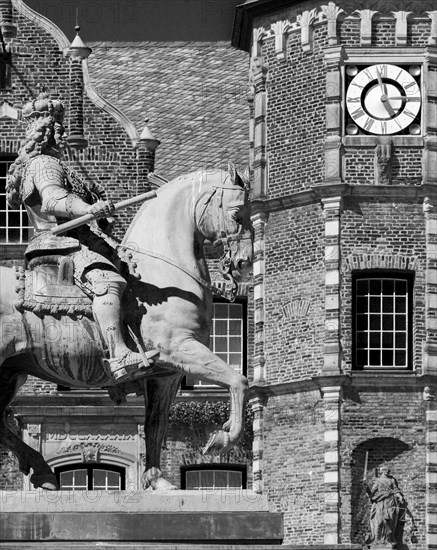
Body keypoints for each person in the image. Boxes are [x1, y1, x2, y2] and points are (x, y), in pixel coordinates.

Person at [6, 92, 158, 383]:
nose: (63, 133)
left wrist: (100, 213)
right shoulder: (43, 164)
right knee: (107, 281)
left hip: (76, 241)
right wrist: (89, 208)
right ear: (46, 134)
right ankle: (119, 355)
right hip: (61, 243)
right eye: (58, 129)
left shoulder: (60, 165)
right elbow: (53, 200)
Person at [364, 464, 412, 549]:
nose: (388, 471)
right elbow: (371, 494)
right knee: (379, 522)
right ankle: (377, 540)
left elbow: (396, 490)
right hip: (380, 503)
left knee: (390, 522)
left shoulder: (392, 480)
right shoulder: (378, 481)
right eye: (386, 470)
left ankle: (388, 540)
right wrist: (366, 488)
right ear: (382, 471)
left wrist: (400, 497)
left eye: (388, 470)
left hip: (390, 503)